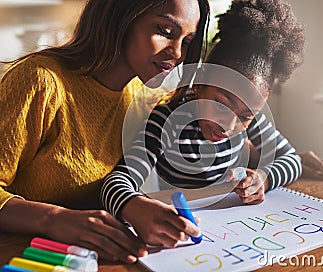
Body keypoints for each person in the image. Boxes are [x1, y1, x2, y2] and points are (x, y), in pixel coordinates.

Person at [0, 0, 210, 263]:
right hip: (23, 256)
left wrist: (259, 175)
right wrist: (54, 219)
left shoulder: (144, 97)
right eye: (165, 31)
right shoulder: (40, 81)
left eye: (187, 41)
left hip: (88, 258)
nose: (178, 53)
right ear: (120, 16)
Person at [101, 0, 306, 250]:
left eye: (244, 116)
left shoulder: (248, 116)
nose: (229, 124)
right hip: (186, 230)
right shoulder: (168, 118)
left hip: (232, 233)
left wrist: (263, 178)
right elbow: (117, 182)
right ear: (199, 83)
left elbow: (293, 160)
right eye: (222, 103)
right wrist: (135, 207)